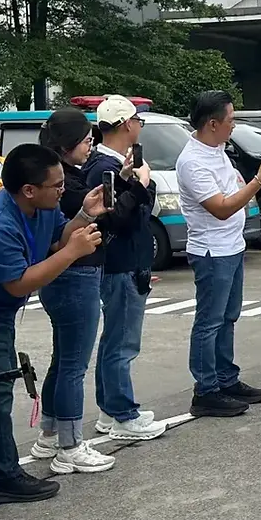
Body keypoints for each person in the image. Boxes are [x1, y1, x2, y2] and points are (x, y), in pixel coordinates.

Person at [0, 144, 107, 504]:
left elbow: (57, 239)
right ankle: (2, 478)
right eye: (56, 186)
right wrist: (73, 252)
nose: (63, 190)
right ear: (29, 189)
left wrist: (84, 216)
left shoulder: (40, 207)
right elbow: (19, 282)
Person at [177, 91, 261, 416]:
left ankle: (225, 378)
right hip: (211, 250)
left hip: (232, 246)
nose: (234, 126)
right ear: (212, 123)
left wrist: (247, 186)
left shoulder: (218, 150)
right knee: (209, 321)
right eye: (231, 120)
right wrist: (259, 181)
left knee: (228, 317)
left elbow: (234, 192)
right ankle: (205, 390)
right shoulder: (192, 161)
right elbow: (221, 207)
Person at [31, 108, 115, 474]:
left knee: (62, 359)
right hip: (73, 276)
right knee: (73, 365)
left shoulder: (57, 178)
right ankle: (70, 444)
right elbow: (59, 242)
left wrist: (86, 211)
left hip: (65, 274)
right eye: (85, 141)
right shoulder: (58, 182)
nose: (91, 146)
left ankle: (49, 433)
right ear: (66, 146)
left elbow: (61, 235)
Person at [83, 96, 167, 440]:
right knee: (122, 340)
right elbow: (116, 217)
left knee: (116, 338)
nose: (139, 126)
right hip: (119, 263)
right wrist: (140, 183)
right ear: (124, 125)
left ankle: (111, 409)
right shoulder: (102, 166)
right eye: (137, 120)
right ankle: (121, 413)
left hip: (128, 261)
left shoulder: (115, 162)